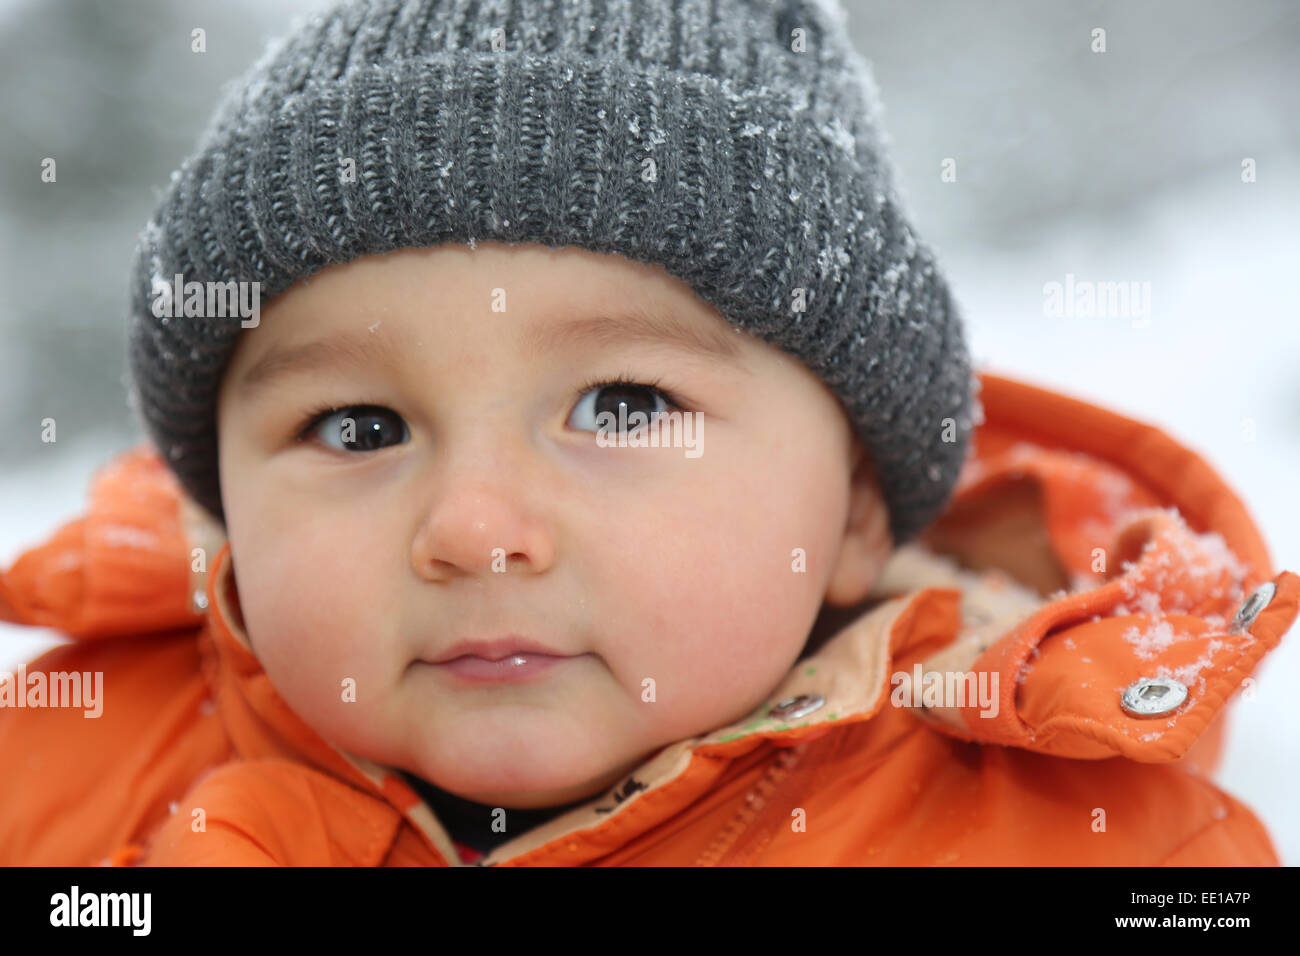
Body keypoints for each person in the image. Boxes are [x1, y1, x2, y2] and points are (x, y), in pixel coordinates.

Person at [0, 0, 1294, 866]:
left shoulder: (1092, 847)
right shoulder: (63, 780)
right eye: (358, 423)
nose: (471, 530)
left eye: (621, 405)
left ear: (847, 512)